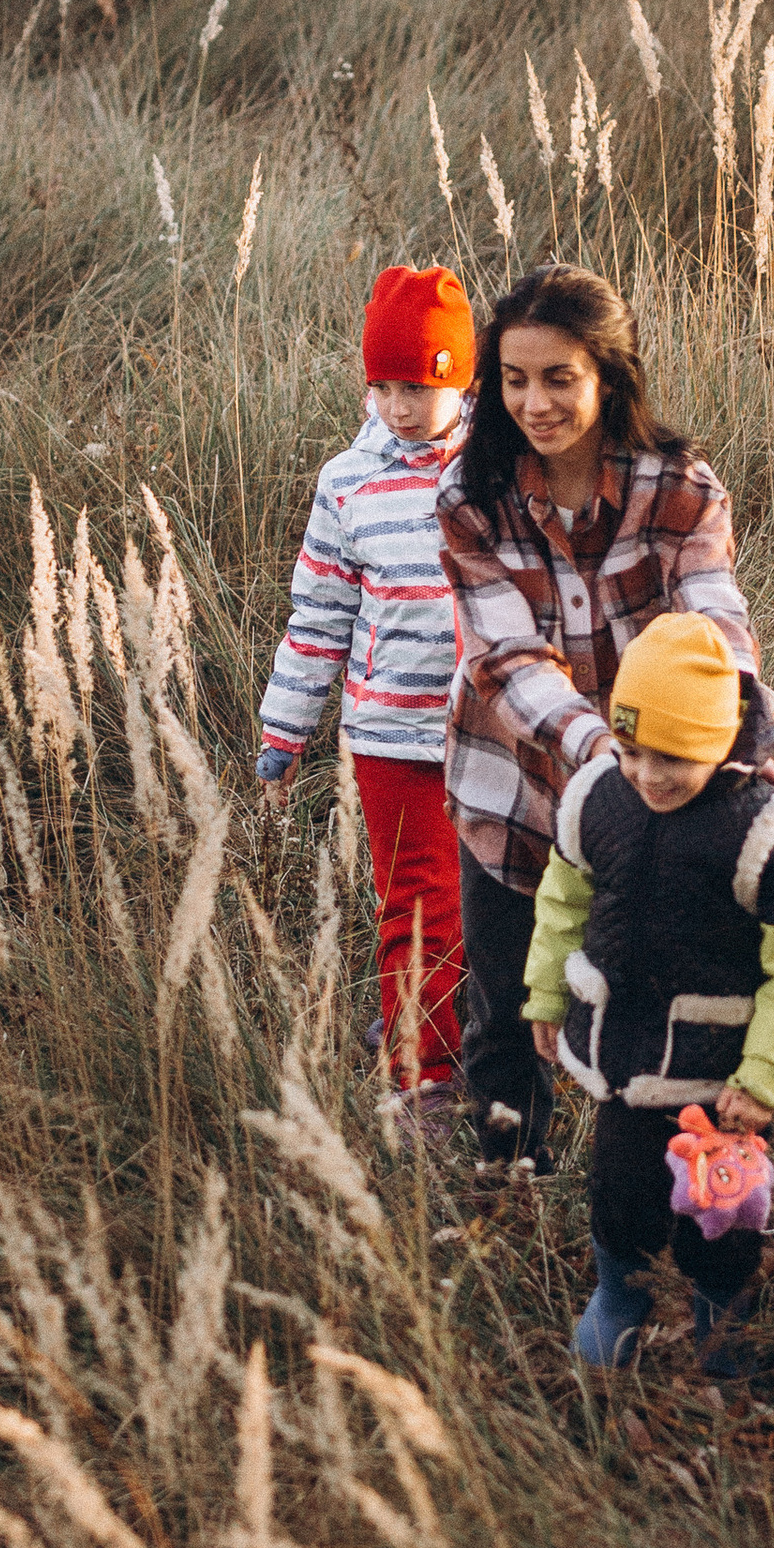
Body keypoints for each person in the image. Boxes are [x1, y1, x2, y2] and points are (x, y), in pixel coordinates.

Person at [436, 264, 774, 1182]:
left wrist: (732, 734)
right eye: (514, 378)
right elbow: (503, 660)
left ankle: (683, 1194)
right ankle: (510, 1181)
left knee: (669, 996)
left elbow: (714, 618)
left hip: (663, 797)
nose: (535, 402)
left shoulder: (679, 490)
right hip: (515, 794)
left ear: (608, 377)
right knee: (508, 1009)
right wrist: (607, 753)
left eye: (559, 378)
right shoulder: (472, 501)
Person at [522, 613, 774, 1386]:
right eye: (630, 752)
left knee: (721, 1221)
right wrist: (545, 995)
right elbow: (562, 903)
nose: (649, 775)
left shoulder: (765, 837)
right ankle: (617, 1307)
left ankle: (724, 1338)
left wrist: (763, 1079)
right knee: (619, 1197)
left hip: (720, 1082)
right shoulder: (600, 798)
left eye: (674, 758)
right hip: (623, 1064)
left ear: (721, 741)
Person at [258, 266, 474, 1119]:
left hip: (492, 732)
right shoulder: (347, 482)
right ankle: (423, 1078)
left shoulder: (500, 469)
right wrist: (286, 731)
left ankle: (474, 1043)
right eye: (383, 387)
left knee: (491, 898)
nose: (400, 408)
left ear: (462, 379)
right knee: (415, 904)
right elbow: (317, 617)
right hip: (390, 733)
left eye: (421, 387)